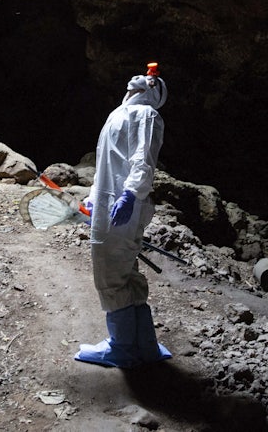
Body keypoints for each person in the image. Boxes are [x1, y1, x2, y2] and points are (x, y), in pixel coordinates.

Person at [75, 62, 171, 368]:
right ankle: (145, 344)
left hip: (122, 205)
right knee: (125, 272)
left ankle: (122, 348)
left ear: (152, 91)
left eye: (147, 80)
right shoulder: (120, 114)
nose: (137, 80)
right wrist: (92, 198)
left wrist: (131, 193)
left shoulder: (144, 114)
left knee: (109, 273)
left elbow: (143, 159)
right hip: (110, 203)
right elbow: (107, 165)